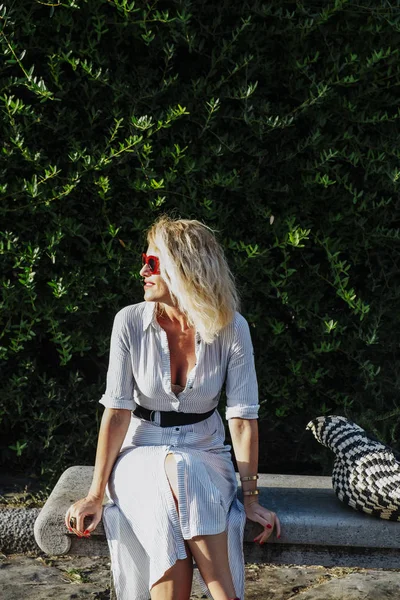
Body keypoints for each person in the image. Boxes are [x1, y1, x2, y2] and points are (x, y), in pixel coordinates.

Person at [65, 216, 281, 600]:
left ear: (185, 270)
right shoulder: (129, 322)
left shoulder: (232, 328)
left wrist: (251, 500)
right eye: (144, 262)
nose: (142, 271)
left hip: (206, 452)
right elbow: (116, 412)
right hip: (138, 453)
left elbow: (243, 419)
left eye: (152, 263)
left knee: (183, 471)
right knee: (174, 474)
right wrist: (96, 494)